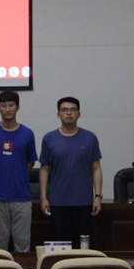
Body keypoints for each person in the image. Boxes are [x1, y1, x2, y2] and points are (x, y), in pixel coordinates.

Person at [39, 96, 104, 248]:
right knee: (60, 245)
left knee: (84, 246)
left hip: (84, 202)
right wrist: (43, 197)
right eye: (65, 110)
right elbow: (44, 168)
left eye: (73, 110)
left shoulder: (90, 138)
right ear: (58, 114)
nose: (69, 113)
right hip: (58, 202)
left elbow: (96, 167)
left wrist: (98, 196)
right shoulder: (49, 138)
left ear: (79, 114)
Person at [0, 90, 38, 252]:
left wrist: (16, 174)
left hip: (21, 197)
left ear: (18, 107)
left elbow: (30, 162)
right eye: (3, 106)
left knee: (22, 244)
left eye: (11, 105)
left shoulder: (27, 133)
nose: (7, 109)